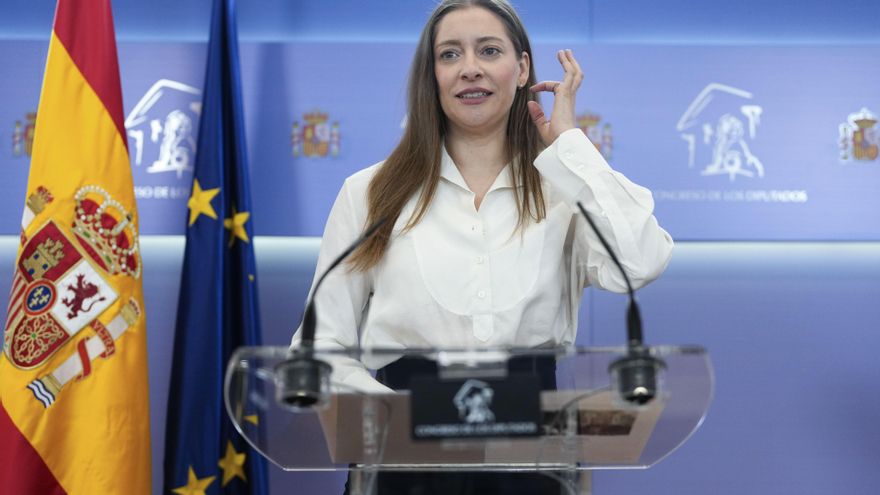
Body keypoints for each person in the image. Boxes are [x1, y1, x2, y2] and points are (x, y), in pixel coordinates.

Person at [293, 0, 674, 493]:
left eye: (489, 50)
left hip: (535, 461)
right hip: (402, 459)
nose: (469, 68)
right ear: (432, 75)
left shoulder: (565, 188)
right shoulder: (370, 193)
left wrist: (570, 147)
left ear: (522, 68)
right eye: (449, 54)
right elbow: (318, 349)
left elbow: (640, 262)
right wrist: (401, 417)